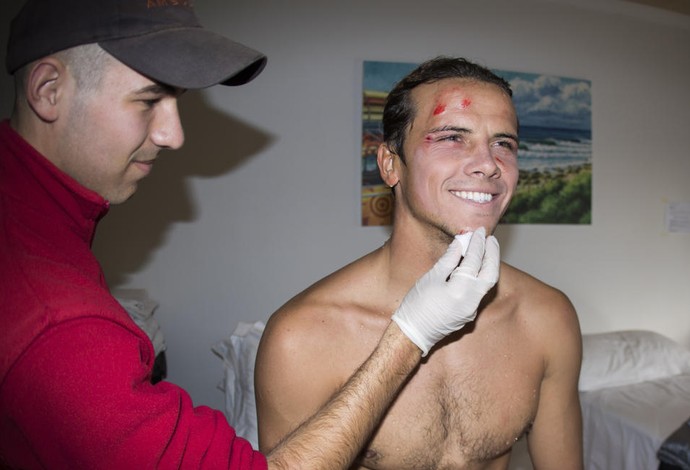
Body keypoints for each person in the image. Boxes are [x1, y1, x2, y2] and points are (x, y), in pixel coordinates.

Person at [0, 1, 502, 468]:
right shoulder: (55, 317)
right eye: (148, 100)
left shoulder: (40, 229)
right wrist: (410, 334)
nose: (174, 135)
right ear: (49, 91)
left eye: (177, 101)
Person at [255, 57, 584, 469]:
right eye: (451, 137)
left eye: (504, 143)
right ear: (391, 164)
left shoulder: (547, 318)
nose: (488, 163)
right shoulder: (300, 337)